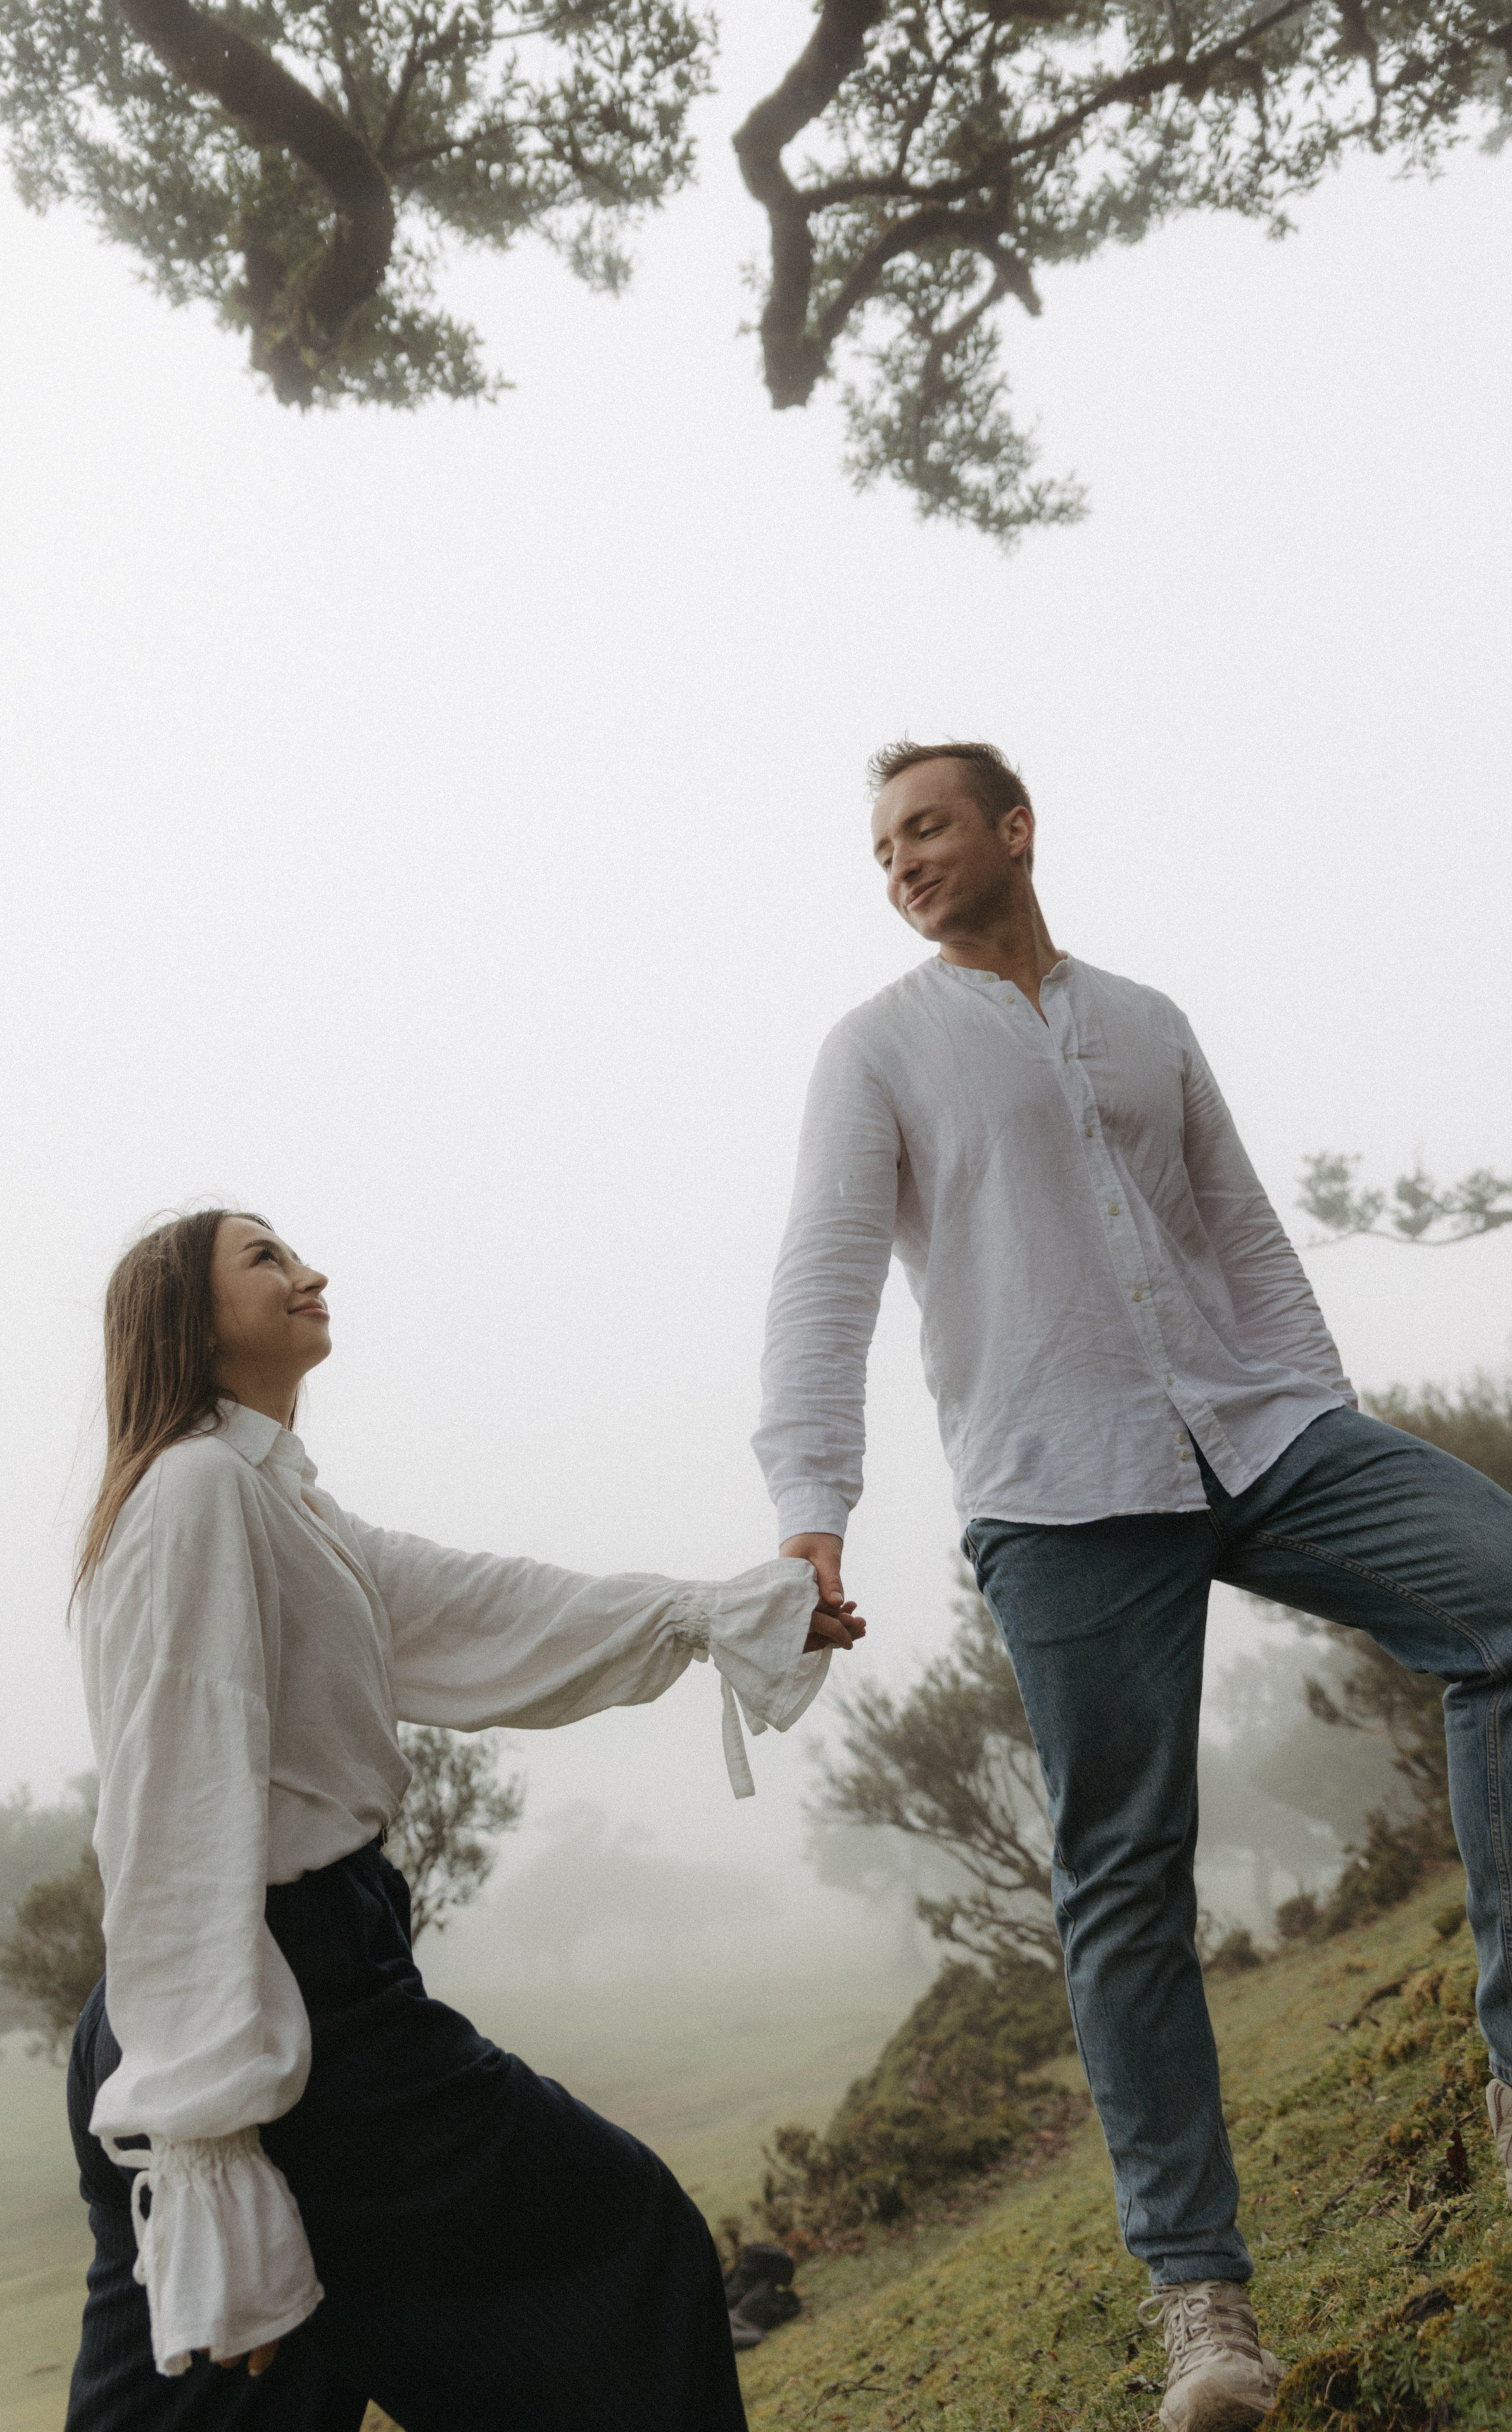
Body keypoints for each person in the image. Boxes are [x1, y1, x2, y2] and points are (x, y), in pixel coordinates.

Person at [753, 738, 1512, 2432]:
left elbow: (1242, 1234)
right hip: (1062, 1487)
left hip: (1261, 1434)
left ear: (1016, 829)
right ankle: (1204, 2303)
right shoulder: (877, 1049)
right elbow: (820, 1281)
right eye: (882, 846)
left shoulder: (1149, 1021)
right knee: (1124, 1874)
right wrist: (814, 1502)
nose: (901, 861)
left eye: (929, 826)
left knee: (1502, 1596)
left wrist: (1317, 1405)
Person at [65, 1206, 864, 2431]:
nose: (309, 1272)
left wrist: (716, 1616)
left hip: (270, 1995)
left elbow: (482, 1612)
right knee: (623, 2242)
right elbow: (175, 1806)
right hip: (257, 2003)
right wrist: (207, 2149)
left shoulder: (285, 1507)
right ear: (186, 1314)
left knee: (251, 2396)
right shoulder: (194, 1493)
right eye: (266, 1258)